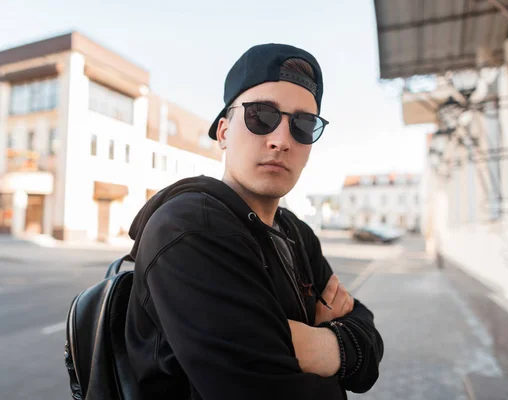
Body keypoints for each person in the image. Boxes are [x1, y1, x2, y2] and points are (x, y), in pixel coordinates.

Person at [125, 43, 384, 400]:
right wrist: (328, 340)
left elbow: (369, 344)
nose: (281, 140)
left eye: (304, 125)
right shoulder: (188, 229)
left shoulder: (296, 233)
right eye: (260, 116)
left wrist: (313, 344)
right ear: (223, 132)